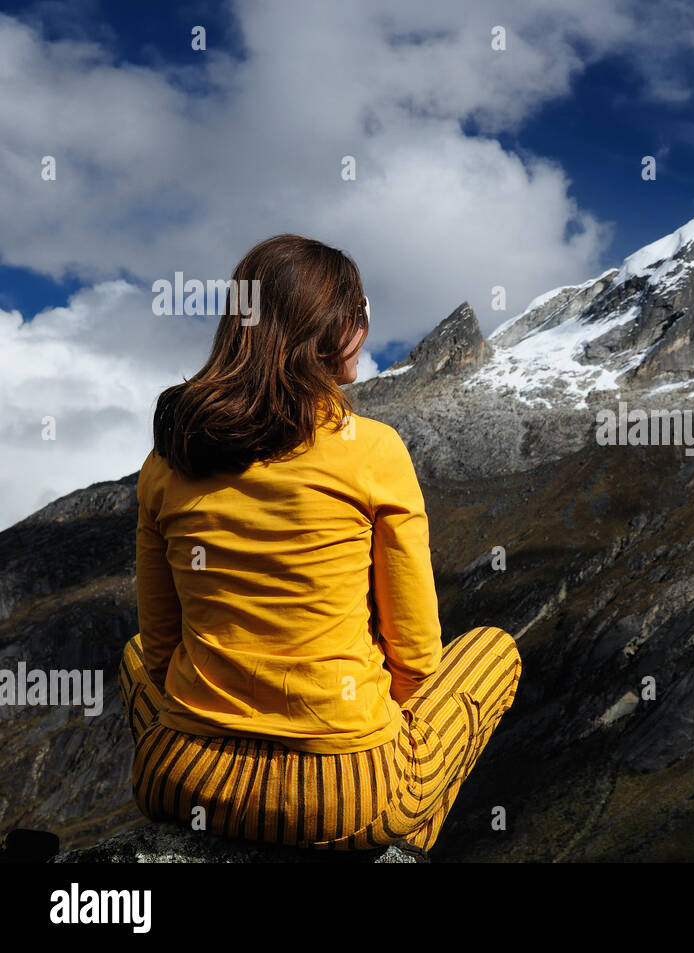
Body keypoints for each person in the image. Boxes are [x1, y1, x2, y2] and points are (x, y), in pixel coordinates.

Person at [117, 233, 521, 855]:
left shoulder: (167, 461)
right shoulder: (375, 449)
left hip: (184, 778)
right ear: (329, 329)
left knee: (132, 651)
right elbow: (415, 656)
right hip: (343, 794)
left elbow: (162, 646)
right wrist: (387, 734)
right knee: (495, 652)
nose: (364, 329)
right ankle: (402, 836)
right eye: (360, 313)